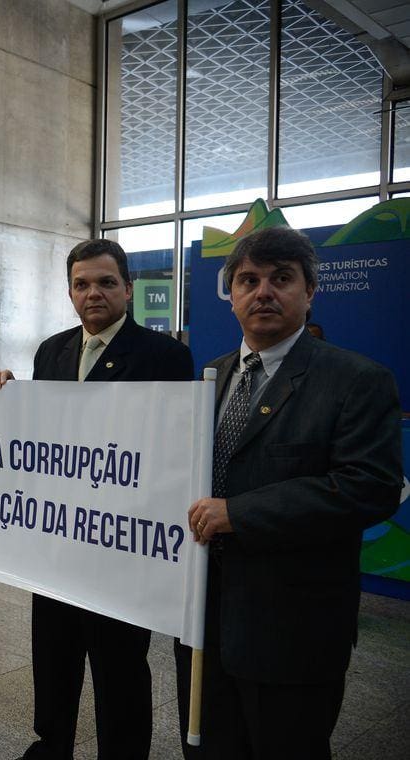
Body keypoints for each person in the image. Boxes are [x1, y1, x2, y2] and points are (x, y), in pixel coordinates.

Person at [175, 227, 402, 760]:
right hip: (204, 621)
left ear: (309, 291)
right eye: (248, 280)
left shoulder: (355, 380)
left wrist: (239, 513)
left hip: (292, 630)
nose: (263, 292)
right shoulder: (212, 375)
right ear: (230, 295)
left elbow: (370, 488)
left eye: (281, 279)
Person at [0, 238, 194, 760]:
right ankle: (51, 742)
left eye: (105, 282)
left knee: (118, 662)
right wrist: (10, 394)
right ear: (70, 292)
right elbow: (41, 437)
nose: (92, 293)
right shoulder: (52, 350)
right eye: (81, 284)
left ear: (128, 288)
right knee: (53, 652)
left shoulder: (165, 356)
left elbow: (168, 452)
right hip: (57, 537)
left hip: (120, 543)